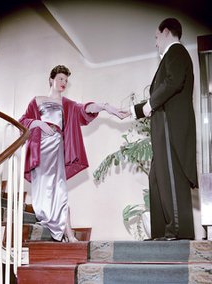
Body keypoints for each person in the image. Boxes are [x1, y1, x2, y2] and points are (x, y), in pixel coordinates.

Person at [19, 64, 129, 242]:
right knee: (44, 193)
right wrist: (39, 124)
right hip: (41, 150)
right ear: (51, 80)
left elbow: (84, 108)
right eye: (60, 79)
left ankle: (69, 234)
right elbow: (22, 121)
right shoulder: (37, 100)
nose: (63, 82)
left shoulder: (67, 104)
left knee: (61, 189)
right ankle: (58, 228)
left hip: (57, 148)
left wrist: (105, 107)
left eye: (66, 80)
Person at [130, 18, 198, 241]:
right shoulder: (171, 55)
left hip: (171, 126)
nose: (155, 42)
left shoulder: (176, 51)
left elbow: (173, 82)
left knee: (170, 177)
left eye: (156, 37)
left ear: (166, 32)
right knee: (157, 179)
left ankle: (179, 233)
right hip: (163, 126)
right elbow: (162, 93)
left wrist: (147, 105)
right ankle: (161, 233)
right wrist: (134, 111)